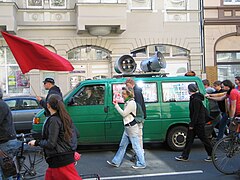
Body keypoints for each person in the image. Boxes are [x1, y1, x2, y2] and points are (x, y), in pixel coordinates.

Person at [28, 94, 81, 180]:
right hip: (63, 158)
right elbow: (77, 134)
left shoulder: (54, 120)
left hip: (59, 160)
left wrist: (36, 142)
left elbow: (51, 143)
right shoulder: (65, 117)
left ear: (48, 105)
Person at [107, 87, 146, 169]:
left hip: (131, 127)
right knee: (122, 145)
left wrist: (116, 106)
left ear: (129, 94)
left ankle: (142, 163)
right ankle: (116, 161)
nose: (122, 95)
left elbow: (124, 114)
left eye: (124, 94)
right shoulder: (127, 102)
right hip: (128, 127)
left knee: (136, 146)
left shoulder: (131, 103)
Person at [175, 84, 213, 162]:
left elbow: (196, 113)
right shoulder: (195, 98)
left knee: (204, 139)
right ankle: (184, 156)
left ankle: (212, 154)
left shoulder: (196, 99)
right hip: (197, 122)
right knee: (189, 139)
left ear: (190, 90)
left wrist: (192, 124)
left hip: (198, 123)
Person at [0, 88, 21, 180]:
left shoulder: (1, 105)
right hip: (6, 140)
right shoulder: (2, 104)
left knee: (6, 171)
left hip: (5, 141)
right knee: (7, 171)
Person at [125, 78, 146, 153]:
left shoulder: (136, 92)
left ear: (131, 84)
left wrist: (135, 117)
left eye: (127, 85)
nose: (127, 87)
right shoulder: (137, 91)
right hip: (138, 117)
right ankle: (139, 153)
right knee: (137, 137)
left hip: (138, 118)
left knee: (138, 137)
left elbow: (138, 106)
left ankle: (140, 154)